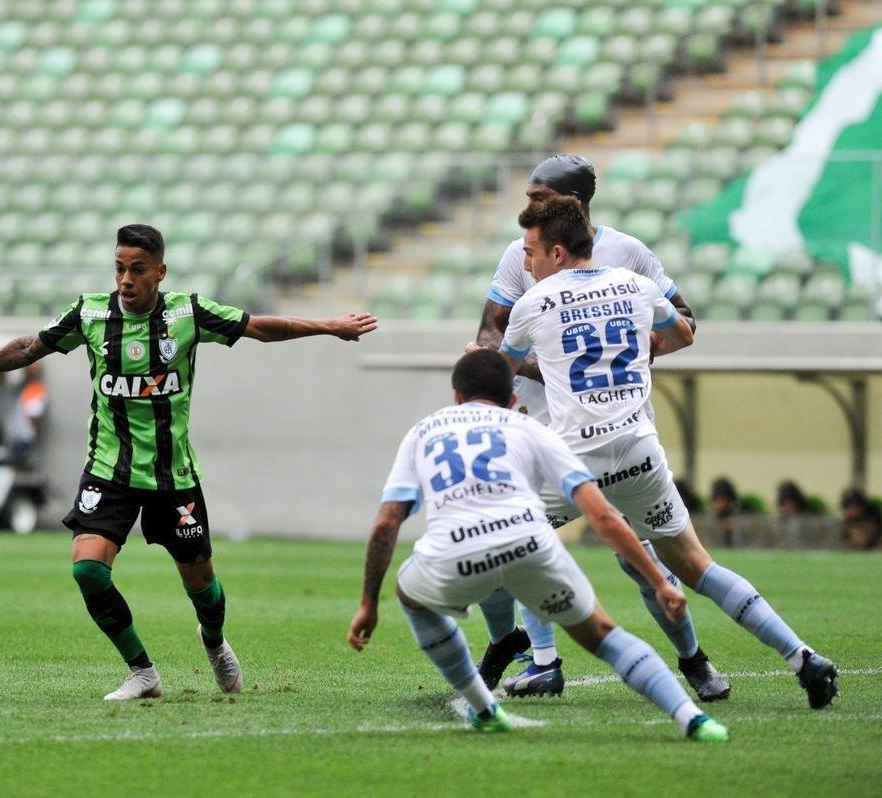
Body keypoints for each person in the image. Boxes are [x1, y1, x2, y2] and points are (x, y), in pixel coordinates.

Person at [0, 224, 378, 701]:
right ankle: (142, 672)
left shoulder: (188, 313)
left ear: (160, 272)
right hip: (109, 470)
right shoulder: (90, 312)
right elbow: (31, 346)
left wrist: (330, 326)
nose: (126, 279)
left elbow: (260, 328)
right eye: (120, 268)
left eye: (137, 270)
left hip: (173, 475)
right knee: (87, 570)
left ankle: (213, 643)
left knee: (201, 583)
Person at [497, 197, 839, 710]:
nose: (527, 263)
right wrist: (630, 350)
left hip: (576, 465)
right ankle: (803, 657)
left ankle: (544, 663)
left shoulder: (532, 305)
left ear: (560, 252)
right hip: (640, 455)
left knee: (512, 534)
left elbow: (503, 373)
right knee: (698, 566)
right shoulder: (637, 286)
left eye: (532, 253)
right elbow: (682, 333)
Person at [346, 348, 728, 742]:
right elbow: (603, 516)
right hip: (529, 546)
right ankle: (693, 720)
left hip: (454, 555)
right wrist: (660, 581)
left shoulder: (423, 431)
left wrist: (368, 605)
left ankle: (483, 707)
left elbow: (387, 523)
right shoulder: (531, 429)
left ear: (456, 396)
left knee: (408, 593)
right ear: (513, 401)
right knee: (604, 634)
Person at [469, 154, 725, 702]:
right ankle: (543, 663)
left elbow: (685, 318)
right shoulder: (522, 252)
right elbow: (490, 332)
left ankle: (693, 660)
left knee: (640, 560)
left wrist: (626, 353)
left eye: (538, 198)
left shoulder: (628, 252)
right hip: (540, 423)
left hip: (614, 427)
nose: (529, 208)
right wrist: (548, 367)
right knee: (521, 540)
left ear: (572, 205)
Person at [4, 361, 48, 467]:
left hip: (24, 435)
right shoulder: (20, 387)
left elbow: (34, 415)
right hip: (15, 434)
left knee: (18, 467)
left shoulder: (35, 389)